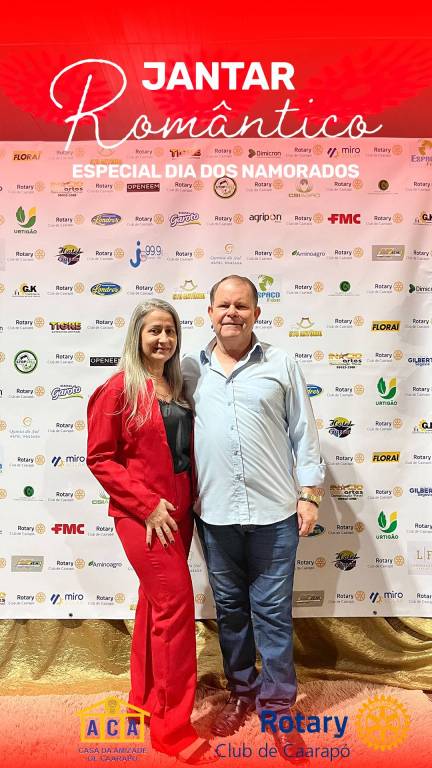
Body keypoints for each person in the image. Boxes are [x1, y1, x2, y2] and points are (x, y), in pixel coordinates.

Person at [182, 276, 325, 761]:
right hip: (214, 515)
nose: (232, 313)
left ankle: (278, 708)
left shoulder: (281, 363)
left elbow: (304, 433)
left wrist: (309, 495)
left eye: (241, 305)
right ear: (209, 312)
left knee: (272, 615)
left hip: (275, 513)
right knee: (231, 614)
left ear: (256, 313)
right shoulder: (189, 369)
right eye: (223, 305)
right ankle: (242, 694)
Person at [86, 299, 216, 765]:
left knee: (154, 604)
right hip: (143, 518)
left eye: (170, 331)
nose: (163, 339)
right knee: (175, 611)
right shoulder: (117, 389)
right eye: (154, 331)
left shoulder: (176, 387)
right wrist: (145, 505)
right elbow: (100, 458)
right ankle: (171, 729)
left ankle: (143, 702)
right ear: (137, 336)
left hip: (179, 515)